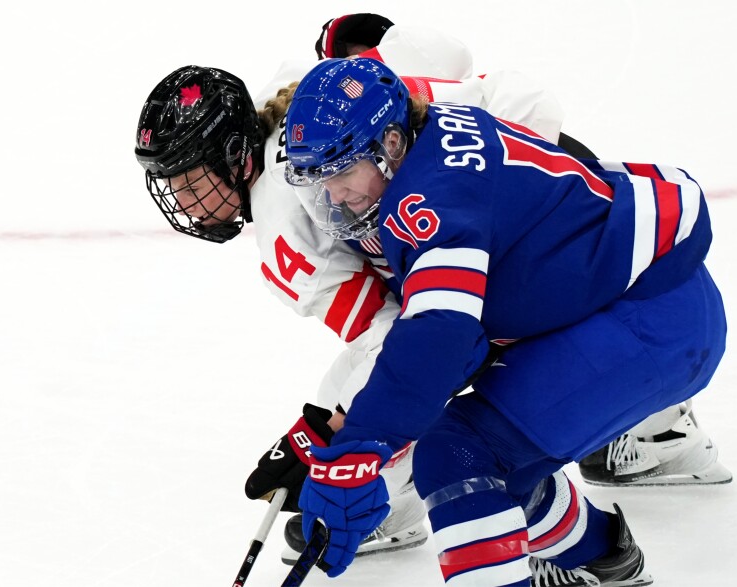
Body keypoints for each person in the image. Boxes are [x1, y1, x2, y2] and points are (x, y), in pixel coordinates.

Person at [133, 26, 569, 565]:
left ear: (233, 156)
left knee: (453, 367)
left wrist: (330, 435)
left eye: (192, 183)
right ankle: (657, 428)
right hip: (542, 161)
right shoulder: (298, 89)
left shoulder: (286, 227)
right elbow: (450, 55)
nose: (183, 201)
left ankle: (396, 496)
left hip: (521, 217)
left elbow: (391, 335)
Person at [282, 57, 727, 585]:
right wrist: (353, 435)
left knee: (459, 455)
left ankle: (596, 554)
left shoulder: (427, 201)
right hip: (640, 304)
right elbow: (463, 338)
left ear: (393, 143)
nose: (335, 195)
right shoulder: (431, 143)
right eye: (320, 179)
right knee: (487, 450)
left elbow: (439, 335)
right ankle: (603, 556)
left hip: (649, 321)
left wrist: (358, 449)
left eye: (343, 170)